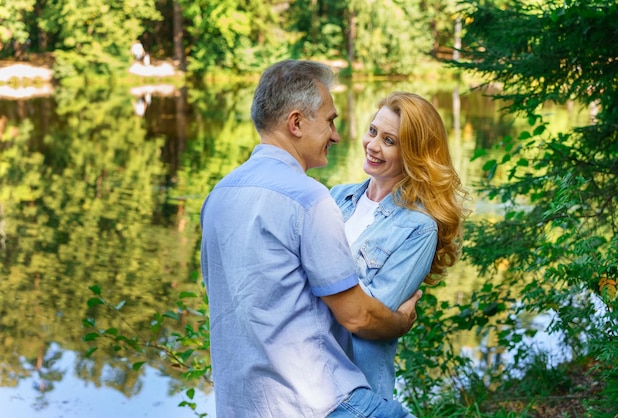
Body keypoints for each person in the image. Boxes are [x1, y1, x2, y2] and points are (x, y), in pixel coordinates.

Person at [200, 60, 423, 418]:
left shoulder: (219, 195)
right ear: (297, 123)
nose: (336, 135)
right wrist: (402, 320)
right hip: (320, 404)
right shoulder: (310, 200)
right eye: (330, 121)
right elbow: (357, 318)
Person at [330, 91, 468, 398]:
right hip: (311, 379)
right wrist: (399, 322)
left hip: (359, 388)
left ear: (414, 154)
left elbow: (365, 318)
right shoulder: (337, 197)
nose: (373, 145)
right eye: (373, 131)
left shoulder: (418, 229)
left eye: (390, 141)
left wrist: (314, 278)